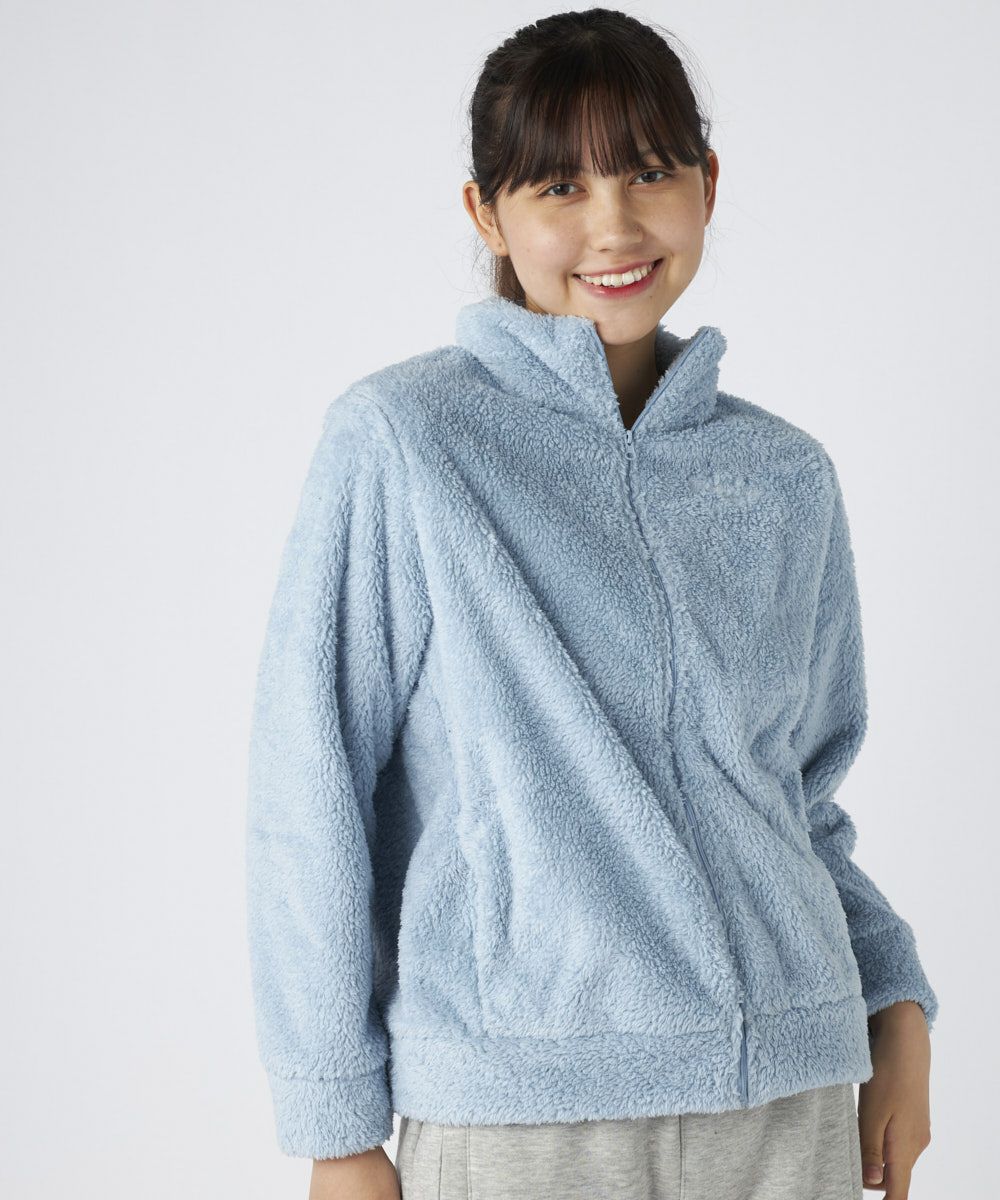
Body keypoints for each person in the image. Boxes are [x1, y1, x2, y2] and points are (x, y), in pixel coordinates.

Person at [245, 9, 938, 1199]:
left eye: (649, 172)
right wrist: (336, 1130)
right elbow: (309, 792)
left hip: (790, 1097)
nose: (613, 225)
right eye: (559, 186)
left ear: (707, 184)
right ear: (486, 215)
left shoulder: (782, 476)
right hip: (523, 1108)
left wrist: (894, 1003)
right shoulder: (406, 443)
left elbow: (801, 797)